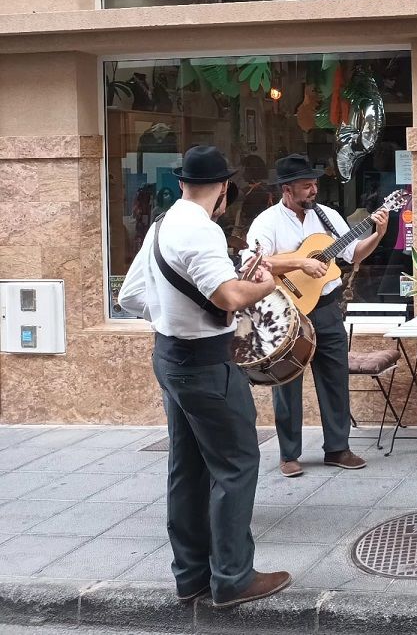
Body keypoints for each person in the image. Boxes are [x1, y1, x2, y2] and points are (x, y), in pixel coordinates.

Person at [117, 146, 291, 609]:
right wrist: (266, 284)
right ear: (225, 189)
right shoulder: (203, 231)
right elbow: (231, 295)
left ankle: (191, 576)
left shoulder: (162, 225)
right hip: (206, 362)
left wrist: (179, 309)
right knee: (236, 465)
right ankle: (233, 578)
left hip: (169, 357)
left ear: (181, 184)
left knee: (187, 469)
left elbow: (131, 297)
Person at [244, 154, 388, 477]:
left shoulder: (328, 217)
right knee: (287, 381)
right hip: (288, 311)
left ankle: (338, 447)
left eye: (315, 184)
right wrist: (300, 263)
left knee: (335, 376)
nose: (313, 190)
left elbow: (352, 254)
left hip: (326, 308)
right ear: (287, 189)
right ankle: (289, 454)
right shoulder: (267, 223)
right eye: (306, 185)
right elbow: (256, 263)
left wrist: (377, 235)